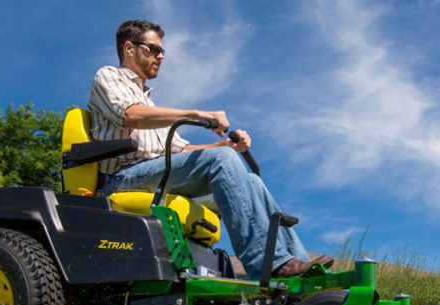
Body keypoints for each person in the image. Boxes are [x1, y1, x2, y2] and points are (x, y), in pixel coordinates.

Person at [87, 19, 331, 279]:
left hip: (158, 175)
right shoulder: (108, 77)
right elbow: (130, 115)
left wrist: (227, 145)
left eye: (162, 51)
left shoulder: (149, 102)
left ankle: (298, 268)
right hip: (123, 179)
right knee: (222, 161)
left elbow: (185, 150)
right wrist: (197, 114)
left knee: (251, 181)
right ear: (129, 48)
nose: (161, 56)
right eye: (154, 49)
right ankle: (267, 265)